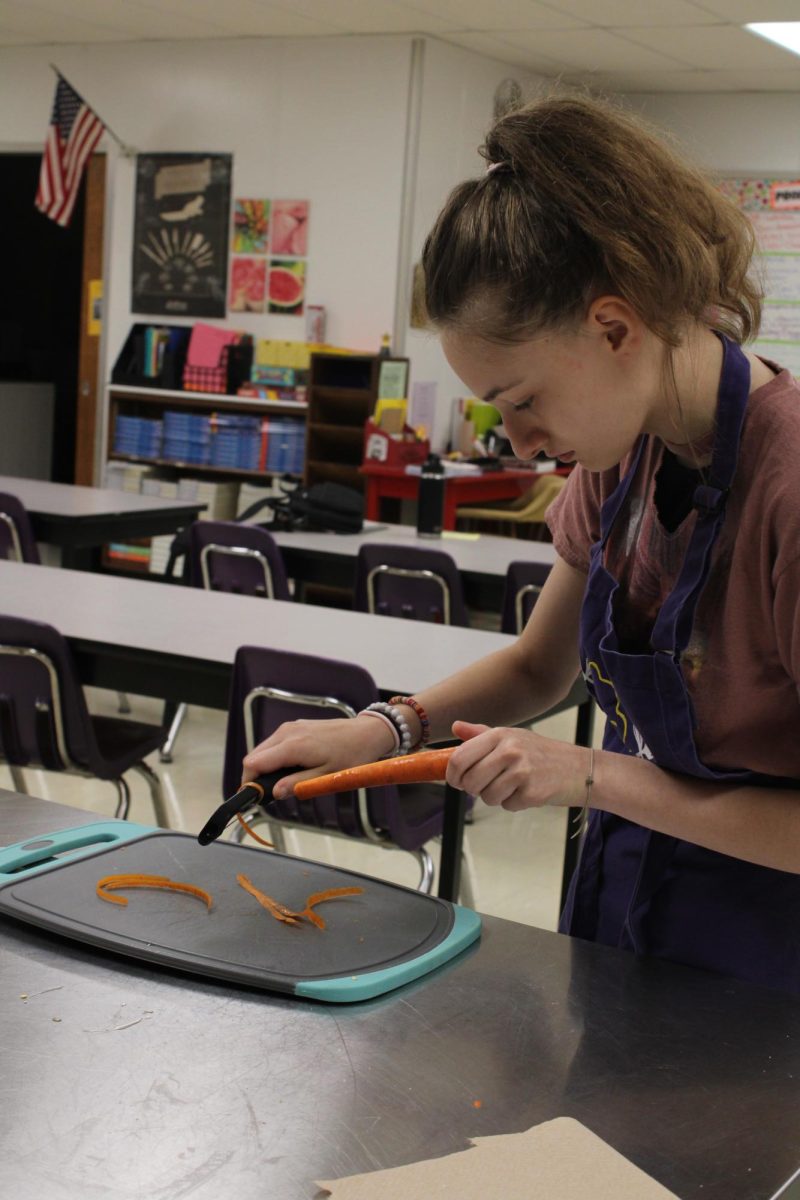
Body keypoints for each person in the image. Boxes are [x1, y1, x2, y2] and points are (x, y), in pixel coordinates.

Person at [242, 93, 800, 994]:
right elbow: (541, 667)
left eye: (523, 400)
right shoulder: (622, 451)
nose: (519, 443)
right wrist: (379, 731)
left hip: (772, 945)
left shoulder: (789, 488)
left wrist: (591, 774)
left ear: (614, 328)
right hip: (627, 890)